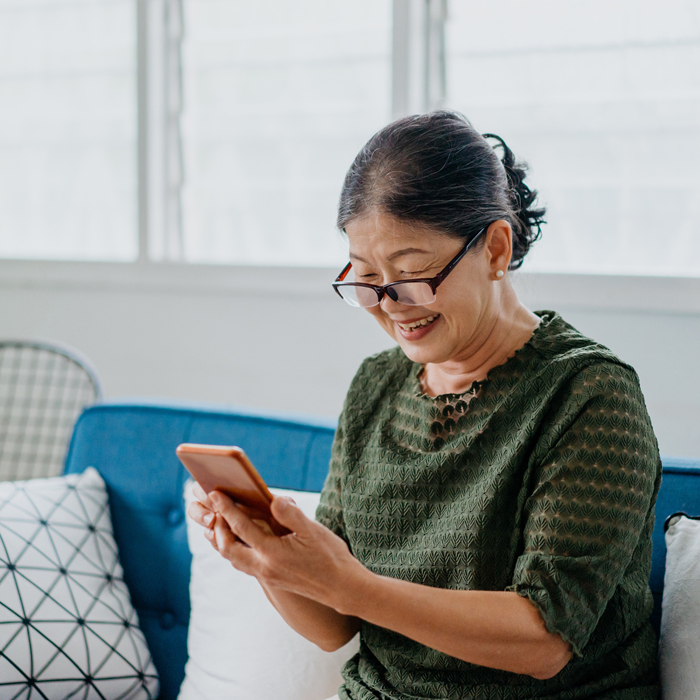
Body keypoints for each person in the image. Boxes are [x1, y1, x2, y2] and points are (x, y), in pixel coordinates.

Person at [188, 111, 662, 699]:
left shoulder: (588, 395)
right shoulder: (375, 387)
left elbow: (543, 640)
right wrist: (271, 564)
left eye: (411, 274)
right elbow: (334, 626)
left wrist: (350, 585)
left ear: (494, 247)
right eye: (365, 279)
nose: (390, 304)